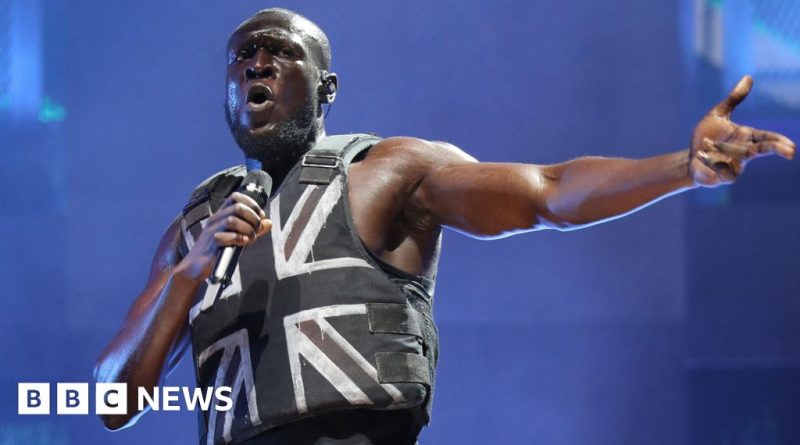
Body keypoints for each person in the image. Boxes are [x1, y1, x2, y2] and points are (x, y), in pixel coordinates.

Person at [94, 7, 796, 445]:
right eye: (243, 56)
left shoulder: (387, 171)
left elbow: (547, 192)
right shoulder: (194, 231)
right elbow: (111, 401)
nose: (257, 63)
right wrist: (184, 279)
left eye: (280, 51)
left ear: (326, 88)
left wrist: (681, 166)